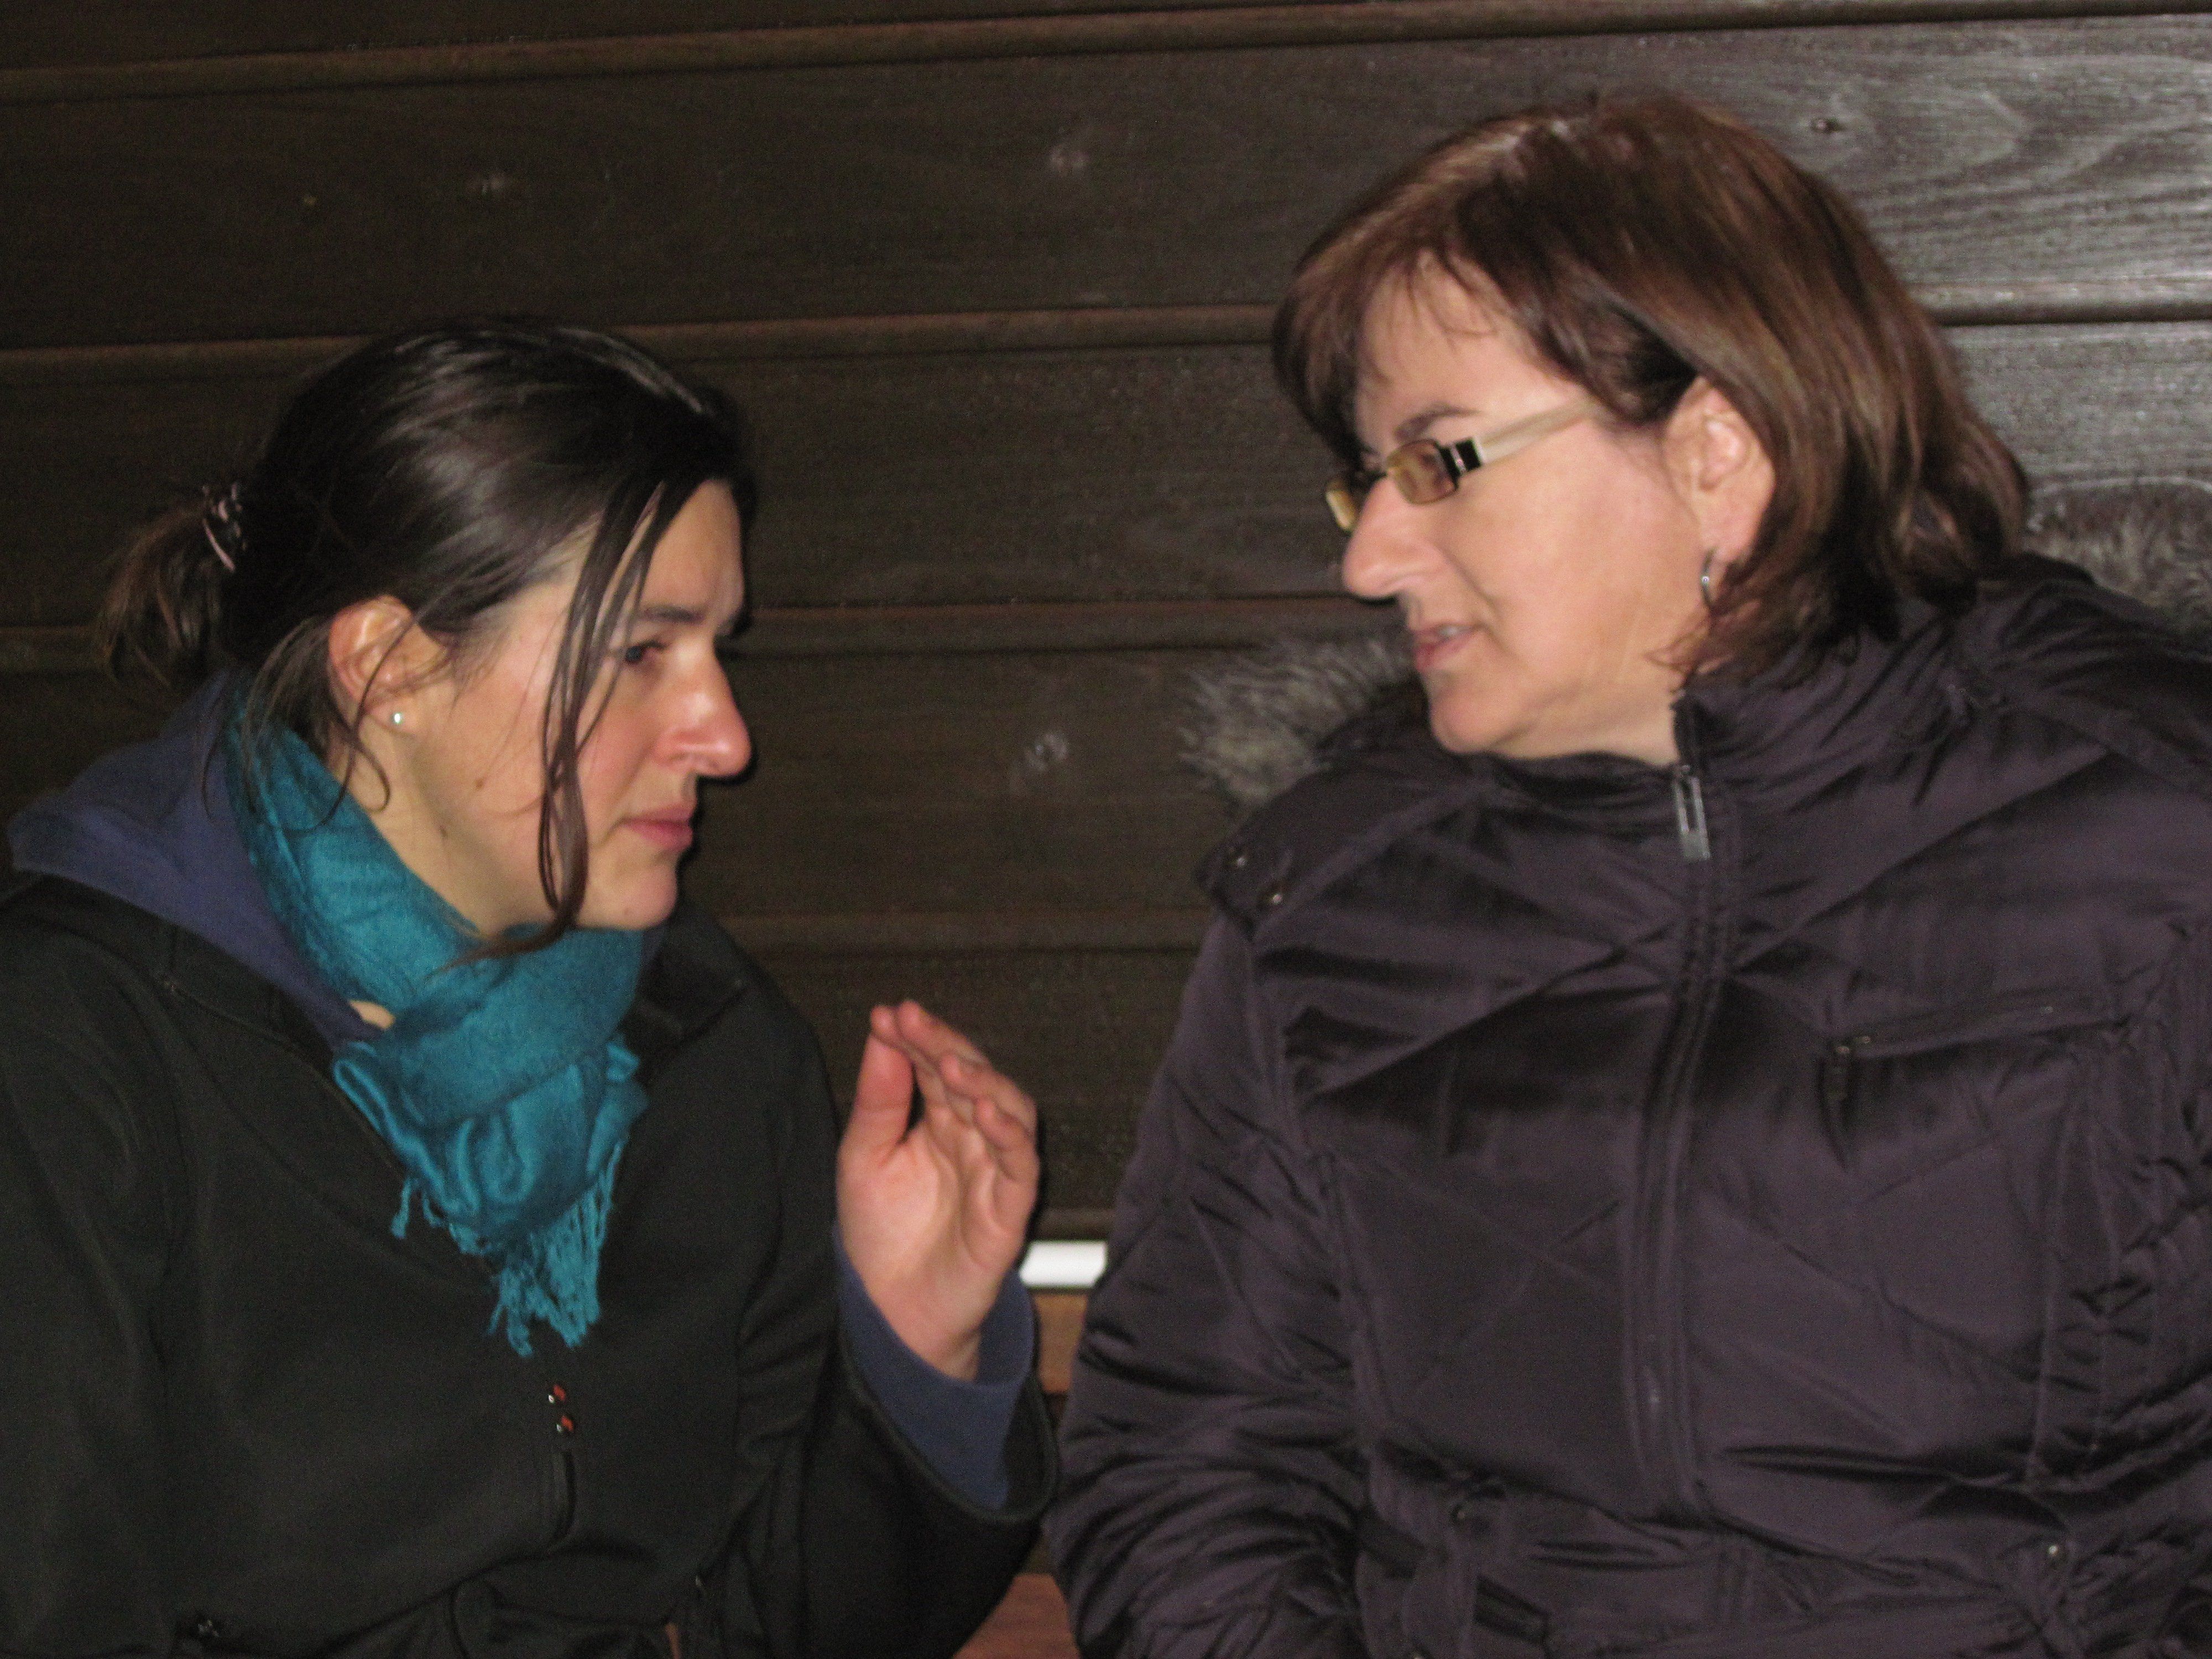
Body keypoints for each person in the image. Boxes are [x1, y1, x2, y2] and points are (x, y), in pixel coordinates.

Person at [1047, 94, 2212, 1657]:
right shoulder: (1330, 900)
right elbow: (1188, 1466)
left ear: (1717, 453)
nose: (1368, 556)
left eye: (1440, 462)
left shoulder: (2159, 826)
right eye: (1366, 477)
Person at [0, 320, 1053, 1659]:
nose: (725, 736)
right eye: (641, 653)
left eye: (718, 649)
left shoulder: (711, 1041)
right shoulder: (73, 1043)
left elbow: (771, 1625)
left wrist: (917, 1349)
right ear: (390, 670)